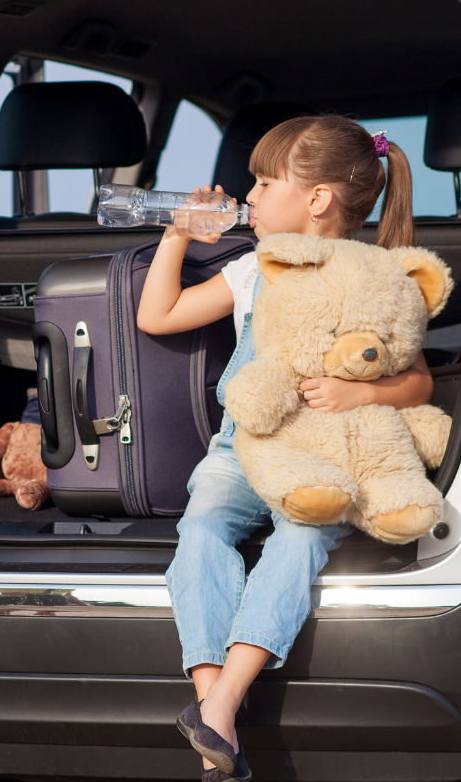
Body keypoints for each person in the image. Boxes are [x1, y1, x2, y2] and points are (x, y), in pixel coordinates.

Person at [136, 115, 432, 782]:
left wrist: (360, 396)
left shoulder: (378, 276)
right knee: (202, 530)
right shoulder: (252, 269)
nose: (252, 195)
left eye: (265, 182)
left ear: (317, 199)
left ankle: (219, 702)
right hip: (241, 449)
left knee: (298, 542)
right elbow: (157, 316)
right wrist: (175, 234)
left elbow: (415, 381)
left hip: (326, 458)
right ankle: (218, 719)